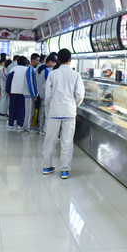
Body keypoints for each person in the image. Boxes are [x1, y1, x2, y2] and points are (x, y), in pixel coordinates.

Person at [42, 49, 84, 180]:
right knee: (67, 141)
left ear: (58, 60)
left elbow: (47, 94)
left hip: (54, 111)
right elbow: (80, 95)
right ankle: (64, 170)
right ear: (70, 60)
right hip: (69, 112)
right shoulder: (75, 75)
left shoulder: (52, 74)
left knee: (50, 139)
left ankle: (47, 166)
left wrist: (51, 105)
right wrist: (73, 105)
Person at [6, 57, 32, 130]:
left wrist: (8, 91)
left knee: (12, 108)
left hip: (13, 91)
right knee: (21, 108)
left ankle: (11, 123)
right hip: (23, 91)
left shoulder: (13, 69)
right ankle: (20, 124)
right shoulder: (27, 69)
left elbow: (9, 80)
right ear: (26, 62)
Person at [36, 54, 56, 135]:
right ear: (50, 61)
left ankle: (40, 128)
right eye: (53, 62)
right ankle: (43, 129)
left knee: (42, 112)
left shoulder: (40, 69)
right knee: (44, 114)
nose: (54, 64)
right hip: (45, 94)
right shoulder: (47, 71)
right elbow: (48, 84)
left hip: (40, 93)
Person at [26, 53, 40, 131]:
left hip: (30, 94)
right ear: (32, 60)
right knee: (29, 112)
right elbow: (30, 83)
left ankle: (28, 126)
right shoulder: (30, 69)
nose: (38, 62)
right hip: (29, 94)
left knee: (30, 112)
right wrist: (34, 95)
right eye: (37, 60)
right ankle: (27, 127)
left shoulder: (31, 69)